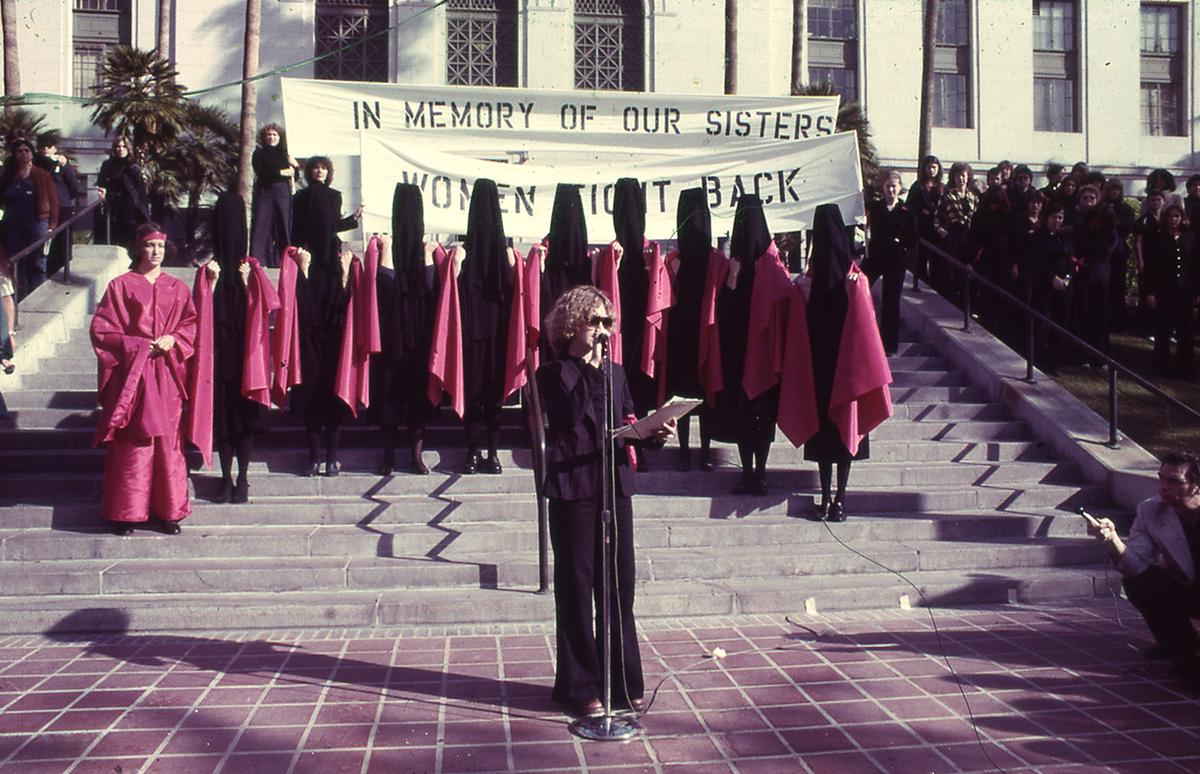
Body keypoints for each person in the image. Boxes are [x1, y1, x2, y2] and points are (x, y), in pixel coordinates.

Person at [538, 284, 672, 718]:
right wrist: (591, 366)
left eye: (607, 323)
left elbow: (626, 422)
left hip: (614, 486)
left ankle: (624, 680)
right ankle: (580, 686)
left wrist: (654, 434)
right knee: (577, 588)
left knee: (619, 586)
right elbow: (571, 416)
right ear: (572, 324)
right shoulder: (554, 372)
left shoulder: (615, 372)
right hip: (574, 488)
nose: (601, 329)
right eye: (594, 321)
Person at [91, 223, 198, 536]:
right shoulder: (121, 286)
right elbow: (102, 330)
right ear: (139, 248)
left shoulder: (177, 288)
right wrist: (136, 345)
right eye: (150, 246)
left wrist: (175, 339)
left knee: (168, 442)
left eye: (161, 247)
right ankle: (127, 513)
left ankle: (170, 512)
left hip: (166, 373)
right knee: (133, 442)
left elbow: (190, 325)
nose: (156, 252)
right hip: (132, 376)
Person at [805, 204, 892, 522]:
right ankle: (839, 499)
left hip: (820, 368)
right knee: (846, 429)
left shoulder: (811, 281)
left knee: (825, 435)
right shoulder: (854, 278)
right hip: (847, 370)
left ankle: (828, 497)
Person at [1088, 451, 1200, 690]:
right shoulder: (1150, 511)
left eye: (1174, 481)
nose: (1163, 487)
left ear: (1196, 486)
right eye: (1161, 478)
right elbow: (1134, 565)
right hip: (1190, 588)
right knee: (1140, 581)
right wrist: (1112, 540)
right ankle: (1183, 649)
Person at [290, 156, 360, 476]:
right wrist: (303, 268)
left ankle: (331, 455)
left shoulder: (337, 263)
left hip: (330, 336)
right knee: (312, 396)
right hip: (311, 337)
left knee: (333, 394)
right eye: (314, 167)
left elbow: (331, 226)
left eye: (323, 168)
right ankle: (314, 456)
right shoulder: (301, 199)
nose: (319, 171)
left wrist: (351, 221)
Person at [207, 191, 278, 502]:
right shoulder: (211, 272)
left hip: (248, 358)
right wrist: (210, 283)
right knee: (224, 420)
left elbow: (270, 307)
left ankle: (243, 477)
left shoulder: (251, 269)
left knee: (244, 418)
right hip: (221, 358)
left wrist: (251, 281)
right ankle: (225, 478)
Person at [371, 183, 439, 475]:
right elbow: (383, 291)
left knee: (417, 398)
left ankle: (415, 453)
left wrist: (426, 259)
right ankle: (388, 454)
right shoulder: (386, 248)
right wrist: (386, 254)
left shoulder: (429, 252)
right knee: (389, 396)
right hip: (391, 337)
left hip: (420, 339)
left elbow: (432, 291)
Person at [458, 179, 514, 474]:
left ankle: (483, 452)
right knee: (484, 395)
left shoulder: (473, 255)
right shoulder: (490, 254)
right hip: (486, 335)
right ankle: (482, 452)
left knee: (483, 394)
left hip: (480, 335)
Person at [663, 187, 718, 470]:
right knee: (691, 394)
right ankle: (695, 452)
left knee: (692, 394)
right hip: (693, 335)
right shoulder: (683, 261)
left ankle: (693, 451)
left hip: (690, 335)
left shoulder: (680, 261)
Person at [864, 170, 916, 355]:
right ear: (883, 188)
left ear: (900, 188)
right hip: (876, 256)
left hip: (896, 260)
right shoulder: (874, 207)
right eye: (887, 186)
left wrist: (900, 243)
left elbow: (913, 236)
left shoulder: (906, 211)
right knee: (860, 286)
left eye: (894, 186)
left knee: (891, 301)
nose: (891, 190)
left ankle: (889, 345)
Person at [0, 137, 59, 298]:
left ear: (32, 154)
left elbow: (54, 202)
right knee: (17, 263)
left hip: (36, 224)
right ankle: (20, 299)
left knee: (37, 262)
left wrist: (52, 226)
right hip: (13, 226)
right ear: (14, 154)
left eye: (27, 151)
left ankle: (38, 298)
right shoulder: (8, 176)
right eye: (19, 151)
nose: (23, 154)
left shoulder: (42, 175)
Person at [1145, 205, 1198, 381]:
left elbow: (1196, 266)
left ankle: (1185, 369)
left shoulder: (1190, 238)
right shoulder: (1158, 238)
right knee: (1162, 331)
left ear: (1182, 218)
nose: (1173, 219)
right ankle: (1161, 368)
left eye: (1176, 216)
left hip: (1184, 292)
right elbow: (1151, 268)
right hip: (1163, 291)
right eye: (1170, 216)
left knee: (1185, 332)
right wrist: (1150, 292)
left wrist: (1197, 291)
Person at [34, 133, 86, 279]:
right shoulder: (35, 165)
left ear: (54, 148)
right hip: (42, 209)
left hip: (62, 208)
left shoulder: (61, 164)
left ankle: (64, 271)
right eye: (42, 147)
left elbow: (74, 187)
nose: (45, 150)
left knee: (63, 243)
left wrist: (64, 165)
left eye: (48, 147)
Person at [250, 123, 298, 268]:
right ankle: (259, 260)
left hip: (283, 192)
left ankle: (284, 259)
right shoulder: (259, 153)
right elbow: (261, 171)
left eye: (274, 135)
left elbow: (294, 176)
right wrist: (280, 172)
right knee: (262, 224)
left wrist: (295, 166)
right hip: (265, 191)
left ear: (279, 137)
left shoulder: (285, 154)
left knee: (283, 223)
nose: (271, 137)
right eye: (268, 135)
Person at [94, 137, 149, 246]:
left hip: (130, 208)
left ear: (128, 148)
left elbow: (140, 191)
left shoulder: (133, 166)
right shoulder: (107, 165)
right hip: (112, 205)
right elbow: (101, 183)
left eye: (124, 146)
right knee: (112, 237)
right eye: (118, 146)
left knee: (129, 238)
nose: (121, 149)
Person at [906, 154, 943, 289]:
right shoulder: (918, 186)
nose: (932, 170)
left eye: (934, 167)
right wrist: (921, 210)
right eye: (929, 167)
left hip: (937, 227)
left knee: (937, 260)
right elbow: (909, 205)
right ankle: (920, 282)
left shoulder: (941, 186)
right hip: (922, 227)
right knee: (921, 258)